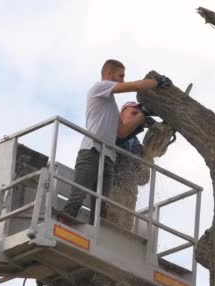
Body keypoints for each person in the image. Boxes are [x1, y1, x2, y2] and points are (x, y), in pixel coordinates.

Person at [62, 59, 170, 224]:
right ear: (109, 73)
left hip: (108, 158)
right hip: (91, 152)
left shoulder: (111, 108)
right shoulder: (99, 87)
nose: (123, 80)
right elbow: (135, 86)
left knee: (101, 208)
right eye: (121, 76)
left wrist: (143, 118)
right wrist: (157, 82)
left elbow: (122, 132)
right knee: (78, 197)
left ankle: (96, 234)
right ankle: (65, 224)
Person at [108, 102, 153, 229]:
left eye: (139, 115)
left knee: (126, 228)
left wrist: (149, 154)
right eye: (134, 113)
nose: (137, 117)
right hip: (113, 186)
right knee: (112, 222)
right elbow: (119, 138)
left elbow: (143, 179)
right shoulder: (112, 129)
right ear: (121, 115)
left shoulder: (137, 146)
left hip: (131, 193)